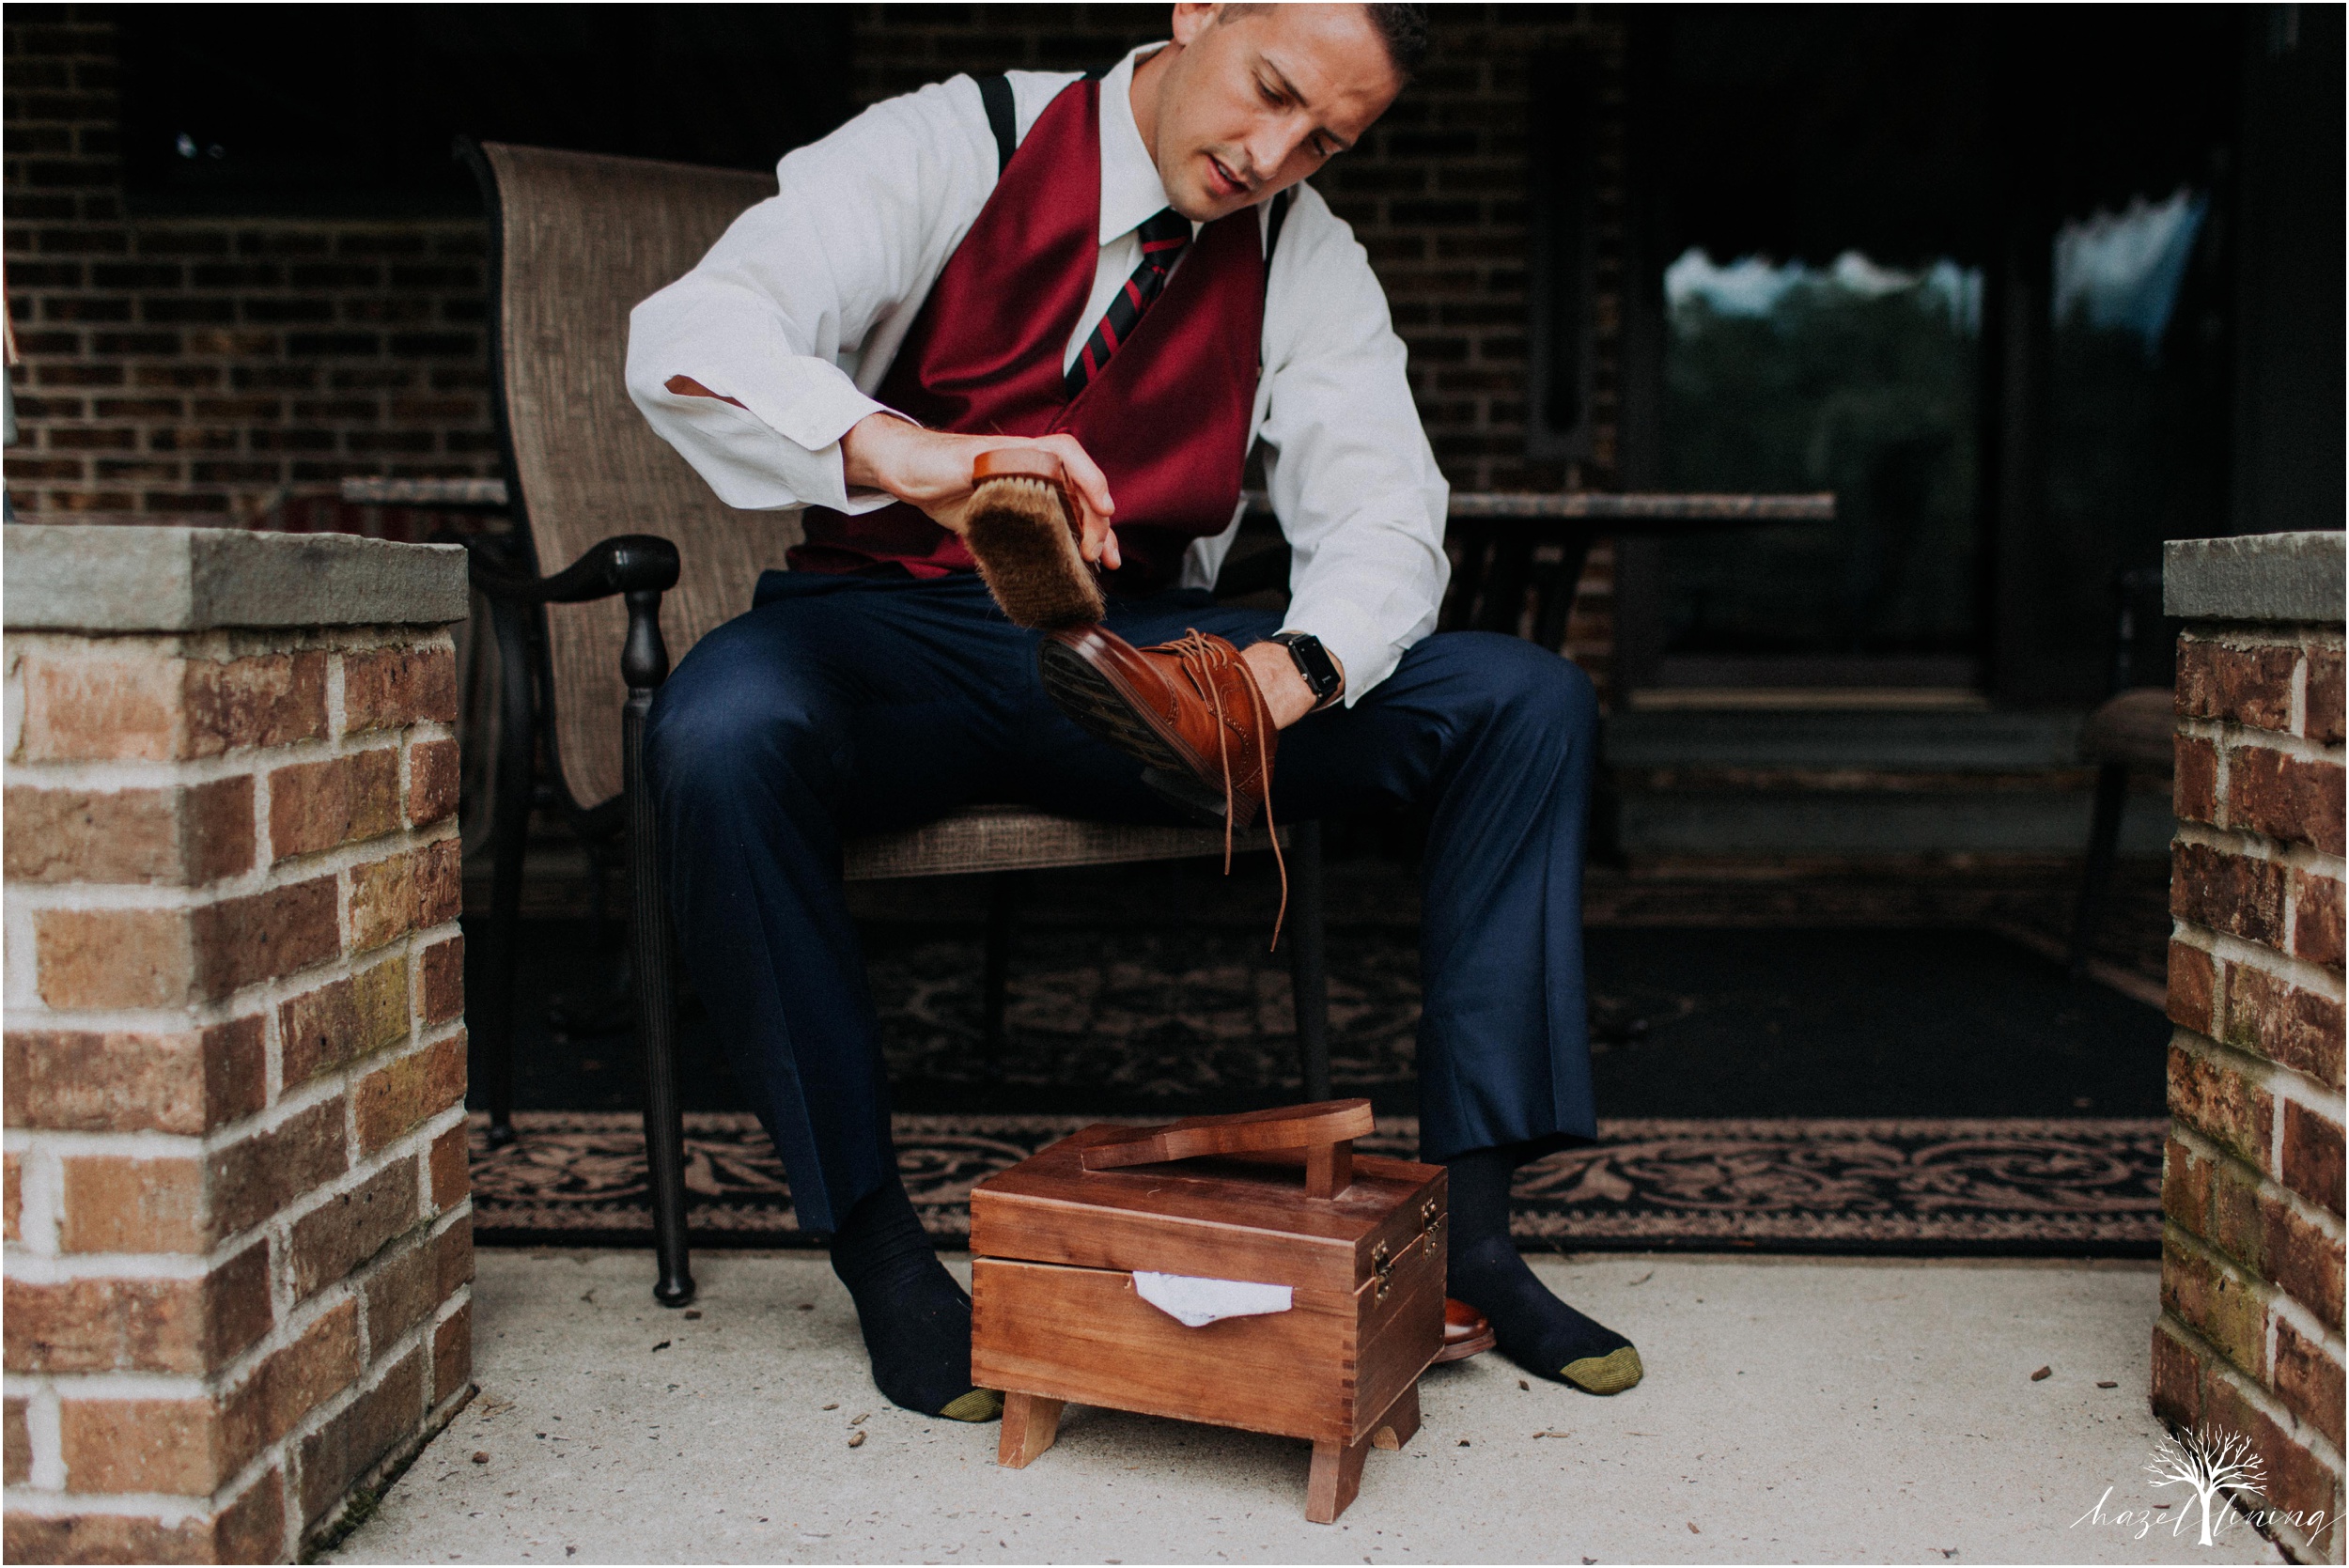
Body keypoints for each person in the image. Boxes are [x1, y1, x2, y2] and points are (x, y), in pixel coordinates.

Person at [625, 1, 1641, 1421]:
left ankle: (1476, 1236)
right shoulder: (953, 140)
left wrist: (1281, 675)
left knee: (1525, 700)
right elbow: (688, 329)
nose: (1274, 154)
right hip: (889, 640)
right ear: (1200, 9)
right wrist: (907, 451)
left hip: (1147, 669)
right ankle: (878, 1252)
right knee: (716, 732)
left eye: (1324, 139)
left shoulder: (1307, 253)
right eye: (1271, 89)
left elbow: (1392, 520)